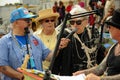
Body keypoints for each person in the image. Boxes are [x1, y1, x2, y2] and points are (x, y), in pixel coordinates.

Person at [0, 7, 69, 80]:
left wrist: (59, 47)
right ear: (16, 22)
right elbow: (2, 67)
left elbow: (49, 57)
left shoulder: (35, 39)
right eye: (26, 20)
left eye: (30, 20)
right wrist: (23, 77)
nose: (30, 22)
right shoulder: (4, 41)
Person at [52, 5, 106, 76]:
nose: (75, 25)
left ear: (86, 22)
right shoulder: (65, 35)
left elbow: (99, 53)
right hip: (72, 75)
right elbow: (57, 61)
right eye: (72, 22)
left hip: (89, 74)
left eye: (78, 22)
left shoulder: (92, 32)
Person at [73, 8, 120, 80]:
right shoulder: (114, 46)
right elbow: (100, 68)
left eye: (110, 26)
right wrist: (82, 73)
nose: (108, 29)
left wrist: (99, 79)